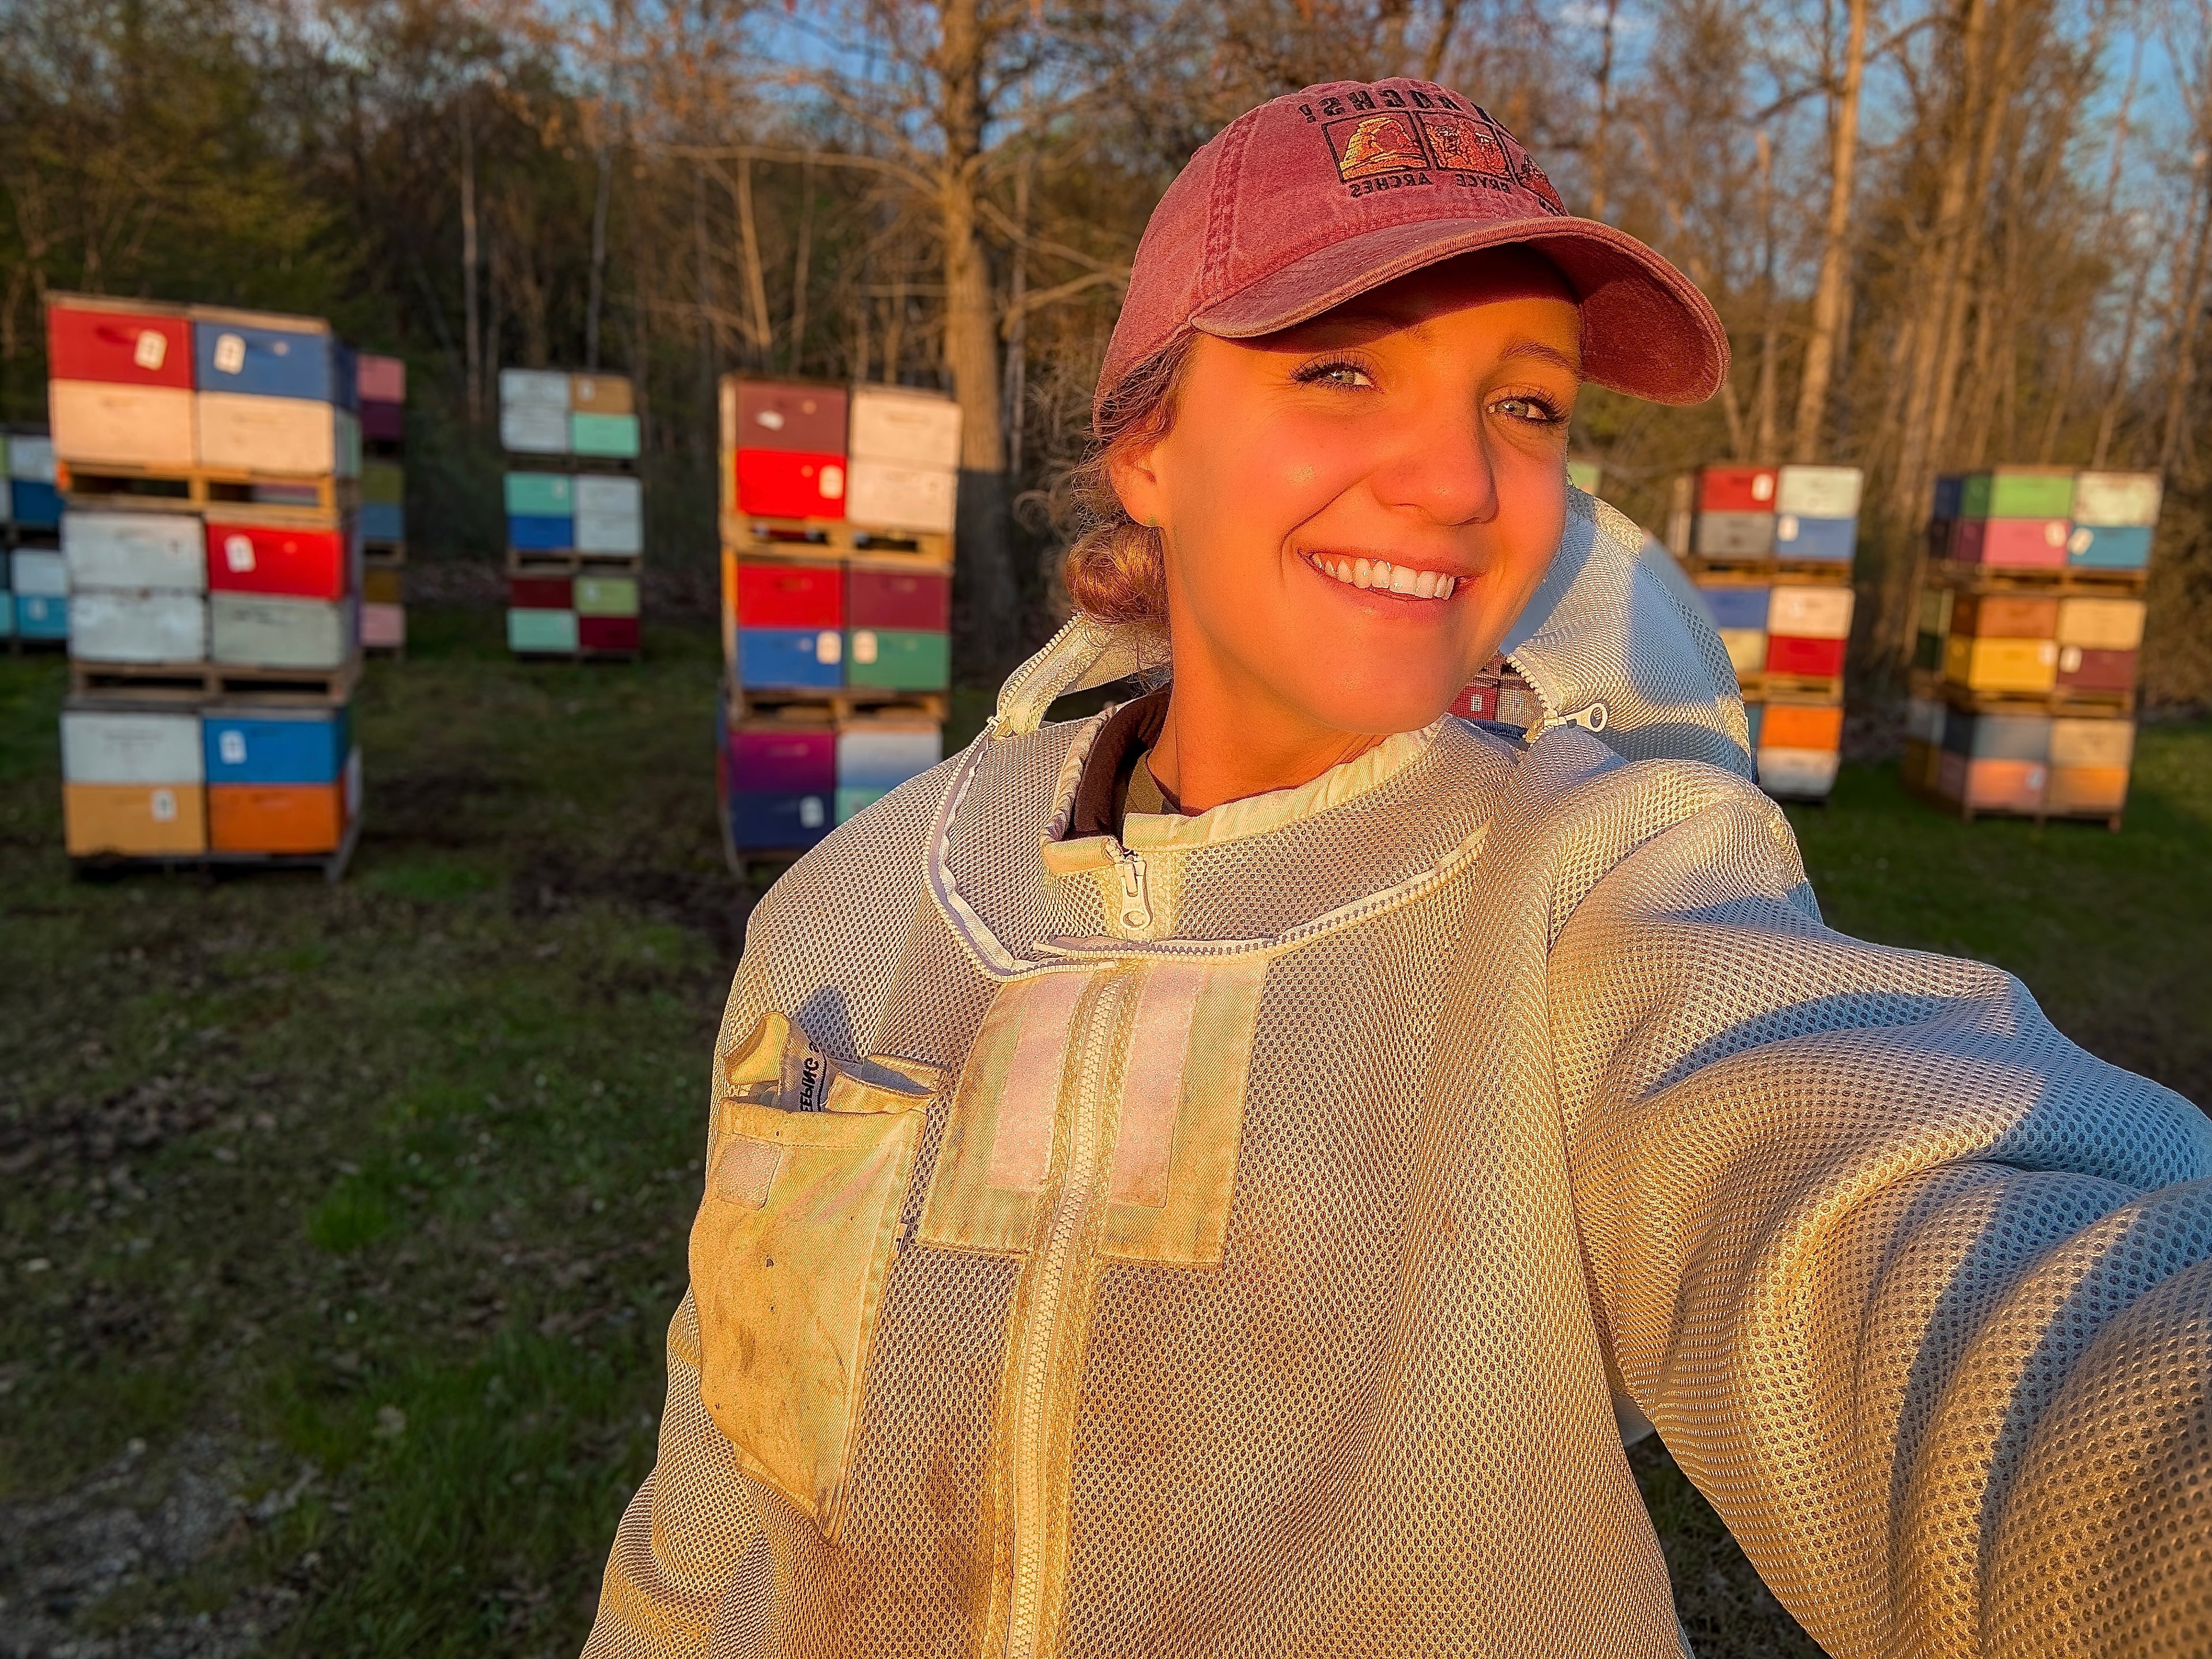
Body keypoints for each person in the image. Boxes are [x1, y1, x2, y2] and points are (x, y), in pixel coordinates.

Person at [584, 79, 2212, 1659]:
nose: (1461, 482)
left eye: (1526, 406)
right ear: (1149, 446)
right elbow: (716, 1504)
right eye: (1344, 371)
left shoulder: (1596, 892)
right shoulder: (860, 901)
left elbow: (1907, 1228)